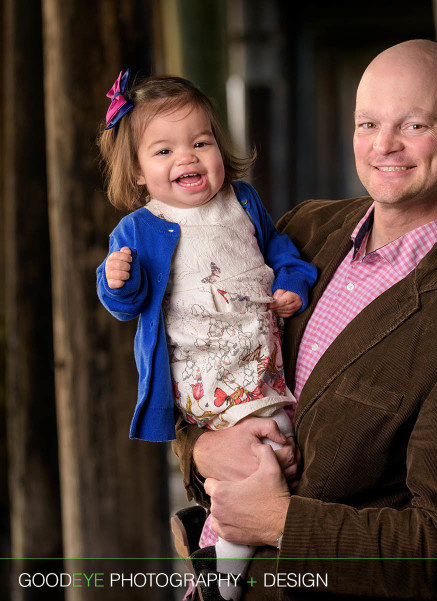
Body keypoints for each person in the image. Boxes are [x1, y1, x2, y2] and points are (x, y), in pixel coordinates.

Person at [173, 39, 437, 600]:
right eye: (368, 123)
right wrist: (199, 449)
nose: (385, 145)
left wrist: (278, 521)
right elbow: (209, 355)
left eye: (414, 125)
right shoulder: (301, 232)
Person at [96, 70, 317, 601]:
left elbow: (278, 248)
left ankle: (212, 538)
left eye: (200, 142)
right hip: (203, 376)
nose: (187, 159)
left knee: (278, 453)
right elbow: (127, 303)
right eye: (164, 151)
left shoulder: (241, 201)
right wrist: (116, 279)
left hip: (258, 361)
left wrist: (292, 279)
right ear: (138, 171)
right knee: (262, 460)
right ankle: (223, 582)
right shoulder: (141, 227)